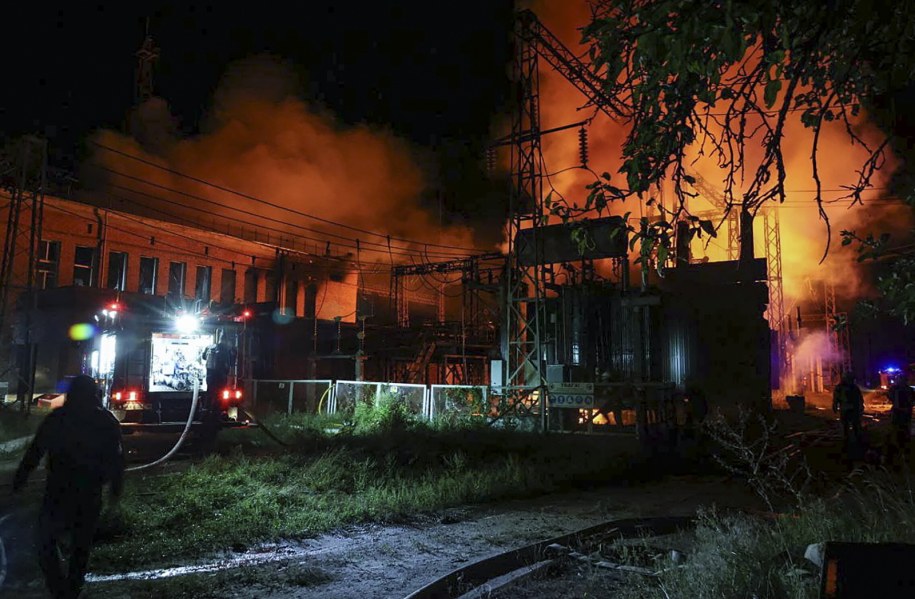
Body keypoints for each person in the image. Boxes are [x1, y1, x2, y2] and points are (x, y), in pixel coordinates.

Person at [12, 375, 124, 599]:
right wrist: (115, 489)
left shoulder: (59, 418)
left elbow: (36, 451)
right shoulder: (106, 421)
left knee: (45, 541)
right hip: (88, 493)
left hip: (59, 492)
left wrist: (21, 478)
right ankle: (71, 590)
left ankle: (60, 590)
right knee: (80, 547)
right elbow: (116, 460)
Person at [886, 374, 914, 467]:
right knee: (901, 431)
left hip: (901, 413)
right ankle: (902, 450)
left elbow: (890, 396)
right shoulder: (907, 389)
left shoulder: (897, 389)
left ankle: (901, 450)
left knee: (900, 431)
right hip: (902, 413)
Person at [833, 371, 865, 445]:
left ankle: (852, 439)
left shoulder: (842, 387)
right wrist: (835, 405)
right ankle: (851, 439)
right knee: (850, 425)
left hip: (848, 409)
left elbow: (859, 398)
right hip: (849, 409)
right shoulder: (851, 387)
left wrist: (835, 406)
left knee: (851, 425)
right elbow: (836, 398)